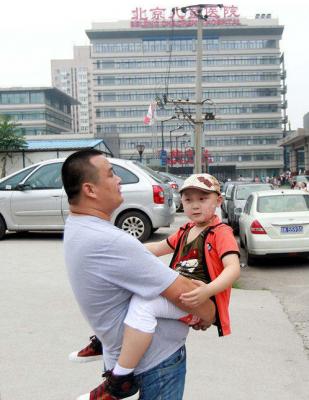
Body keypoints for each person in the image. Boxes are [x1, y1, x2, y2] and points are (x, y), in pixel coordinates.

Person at [62, 149, 219, 400]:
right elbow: (180, 291)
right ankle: (118, 377)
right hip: (157, 362)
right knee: (146, 304)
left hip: (128, 348)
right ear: (90, 190)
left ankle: (105, 348)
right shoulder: (111, 241)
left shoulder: (76, 226)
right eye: (111, 174)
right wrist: (210, 314)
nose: (119, 180)